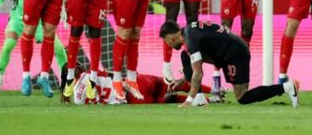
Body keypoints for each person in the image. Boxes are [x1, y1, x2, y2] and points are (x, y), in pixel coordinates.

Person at [160, 20, 300, 107]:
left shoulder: (191, 39)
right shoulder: (189, 32)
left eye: (166, 41)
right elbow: (194, 67)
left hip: (235, 54)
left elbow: (198, 72)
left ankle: (287, 87)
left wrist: (188, 100)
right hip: (224, 53)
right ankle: (200, 98)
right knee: (185, 55)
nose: (169, 45)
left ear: (170, 39)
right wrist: (183, 80)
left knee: (243, 97)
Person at [0, 0, 67, 94]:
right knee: (8, 45)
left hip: (39, 22)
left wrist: (63, 8)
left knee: (59, 49)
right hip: (17, 20)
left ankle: (65, 82)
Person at [60, 62, 219, 106]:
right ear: (77, 69)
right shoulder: (90, 74)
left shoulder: (77, 99)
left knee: (171, 98)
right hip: (134, 84)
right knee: (173, 85)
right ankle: (215, 92)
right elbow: (112, 74)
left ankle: (209, 100)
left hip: (132, 100)